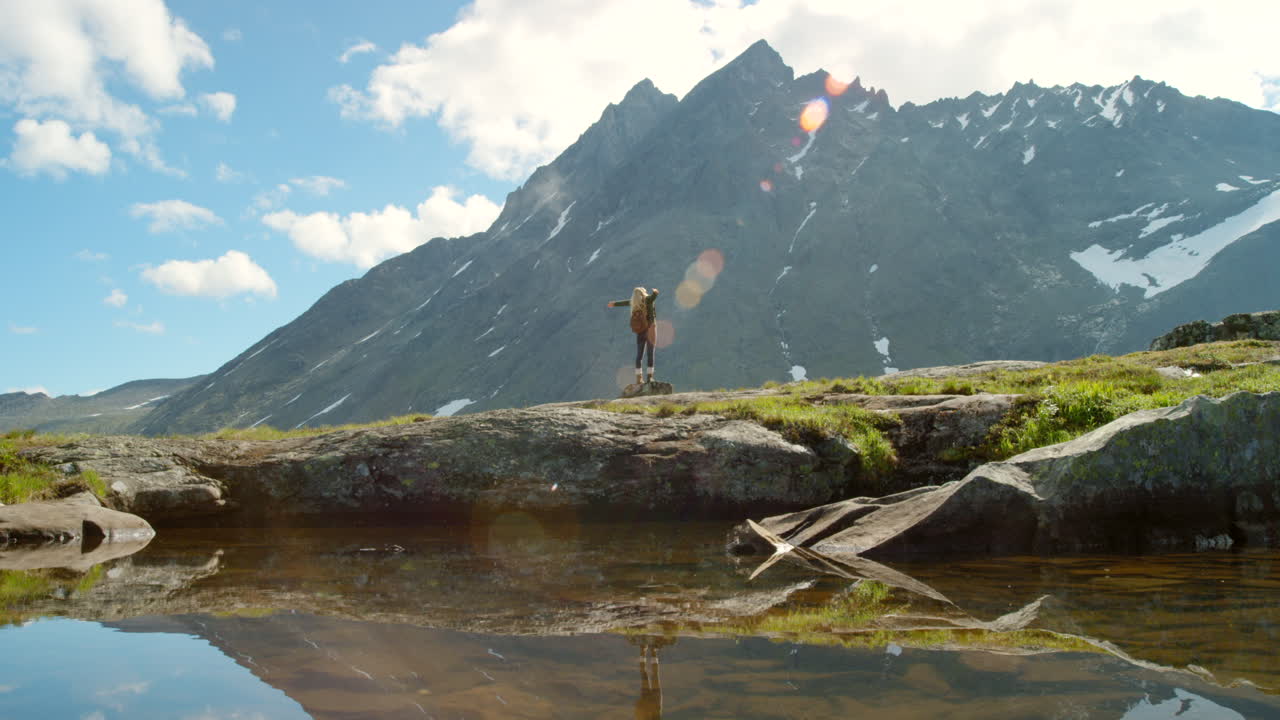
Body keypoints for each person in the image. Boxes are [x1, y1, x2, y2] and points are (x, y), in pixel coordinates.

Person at [607, 287, 660, 385]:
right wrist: (655, 292)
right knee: (650, 353)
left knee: (639, 356)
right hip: (651, 329)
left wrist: (614, 304)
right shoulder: (647, 300)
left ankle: (639, 379)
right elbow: (653, 297)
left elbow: (625, 302)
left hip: (640, 331)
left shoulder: (634, 303)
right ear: (643, 293)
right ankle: (650, 377)